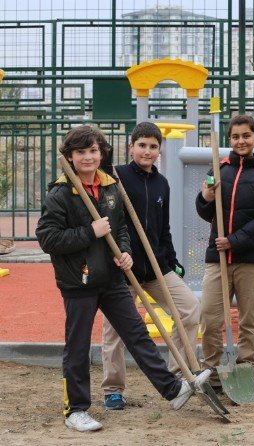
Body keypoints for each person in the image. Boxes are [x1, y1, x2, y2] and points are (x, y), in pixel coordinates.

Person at [36, 125, 208, 432]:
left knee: (137, 334)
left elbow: (122, 230)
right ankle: (75, 409)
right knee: (77, 345)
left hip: (113, 278)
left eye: (93, 151)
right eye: (80, 152)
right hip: (81, 281)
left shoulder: (111, 188)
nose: (88, 157)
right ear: (70, 157)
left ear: (101, 153)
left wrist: (125, 252)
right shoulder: (61, 193)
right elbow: (48, 238)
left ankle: (172, 389)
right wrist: (90, 232)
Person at [100, 122, 201, 410]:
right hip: (122, 268)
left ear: (159, 151)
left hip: (155, 267)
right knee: (115, 329)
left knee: (190, 310)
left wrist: (171, 260)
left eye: (153, 146)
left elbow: (163, 228)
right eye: (141, 145)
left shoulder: (162, 184)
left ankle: (176, 377)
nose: (147, 151)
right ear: (131, 147)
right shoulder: (114, 177)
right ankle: (113, 389)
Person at [196, 114, 254, 388]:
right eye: (235, 137)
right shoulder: (219, 169)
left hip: (253, 260)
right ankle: (210, 371)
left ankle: (245, 370)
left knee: (248, 321)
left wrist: (233, 241)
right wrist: (205, 198)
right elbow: (205, 212)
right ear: (229, 140)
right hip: (218, 258)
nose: (241, 141)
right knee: (210, 318)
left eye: (246, 136)